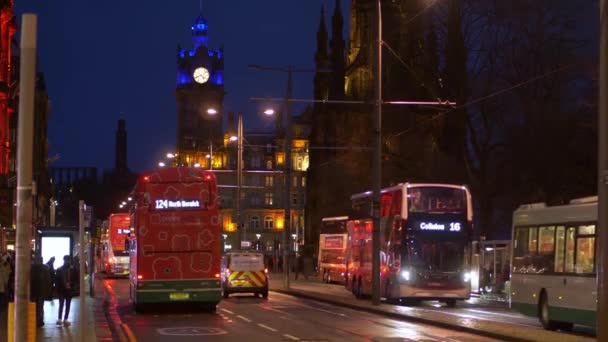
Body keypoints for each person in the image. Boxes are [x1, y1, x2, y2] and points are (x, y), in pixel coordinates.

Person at [30, 255, 52, 326]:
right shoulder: (45, 268)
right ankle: (40, 321)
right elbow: (48, 281)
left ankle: (35, 320)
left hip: (34, 291)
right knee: (40, 306)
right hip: (41, 292)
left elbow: (29, 280)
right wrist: (48, 292)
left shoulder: (32, 268)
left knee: (35, 306)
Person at [55, 255, 75, 326]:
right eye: (67, 260)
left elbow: (75, 280)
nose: (68, 262)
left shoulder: (73, 270)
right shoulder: (59, 269)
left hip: (69, 290)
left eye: (69, 260)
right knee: (61, 304)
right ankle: (60, 318)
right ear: (64, 260)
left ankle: (65, 319)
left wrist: (73, 288)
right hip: (61, 290)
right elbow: (56, 281)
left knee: (68, 305)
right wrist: (56, 290)